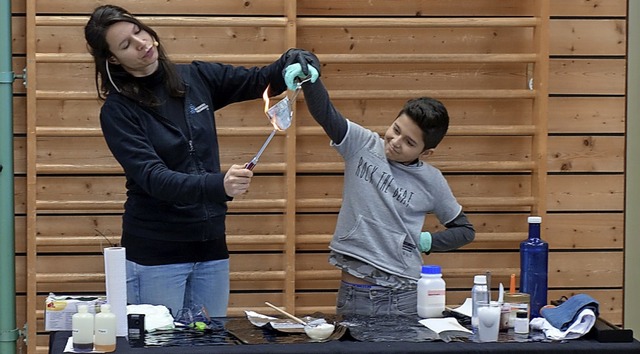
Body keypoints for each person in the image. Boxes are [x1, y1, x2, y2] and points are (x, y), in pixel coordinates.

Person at [84, 4, 320, 317]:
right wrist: (217, 184)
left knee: (211, 343)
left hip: (211, 250)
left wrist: (294, 60)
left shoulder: (195, 77)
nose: (140, 43)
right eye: (126, 44)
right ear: (113, 59)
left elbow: (261, 80)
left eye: (138, 31)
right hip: (156, 255)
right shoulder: (118, 111)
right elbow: (155, 178)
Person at [284, 64, 475, 316]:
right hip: (355, 293)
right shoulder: (362, 145)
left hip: (405, 295)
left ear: (426, 152)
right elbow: (326, 114)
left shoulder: (432, 180)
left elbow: (465, 231)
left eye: (409, 142)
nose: (395, 142)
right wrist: (310, 80)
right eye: (396, 130)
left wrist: (424, 241)